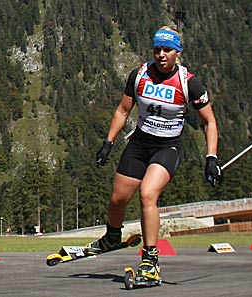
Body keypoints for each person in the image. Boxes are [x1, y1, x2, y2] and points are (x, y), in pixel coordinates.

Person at [85, 25, 223, 281]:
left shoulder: (189, 83)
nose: (161, 55)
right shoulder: (139, 75)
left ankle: (150, 258)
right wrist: (108, 142)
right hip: (139, 144)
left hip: (167, 147)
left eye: (167, 50)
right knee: (117, 200)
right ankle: (112, 237)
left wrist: (211, 157)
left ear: (177, 53)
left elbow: (209, 122)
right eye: (157, 49)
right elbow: (123, 110)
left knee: (148, 195)